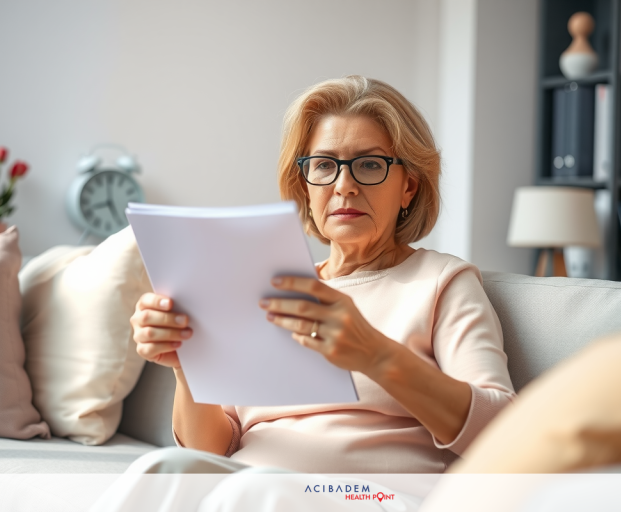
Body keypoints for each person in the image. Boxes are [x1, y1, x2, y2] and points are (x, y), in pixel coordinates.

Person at [129, 75, 515, 475]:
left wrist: (375, 354)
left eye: (369, 164)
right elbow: (210, 448)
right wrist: (186, 364)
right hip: (251, 486)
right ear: (305, 186)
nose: (344, 186)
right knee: (157, 471)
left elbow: (505, 434)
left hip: (368, 496)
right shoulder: (264, 287)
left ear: (409, 188)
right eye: (325, 165)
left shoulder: (442, 282)